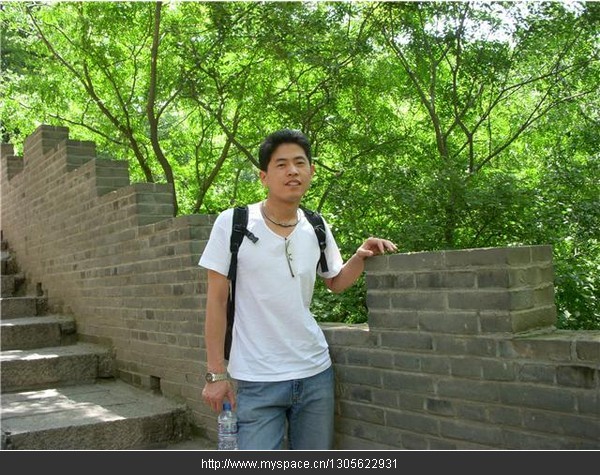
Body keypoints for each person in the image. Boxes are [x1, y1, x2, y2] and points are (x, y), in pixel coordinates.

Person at [199, 129, 397, 450]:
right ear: (264, 176)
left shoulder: (316, 226)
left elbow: (335, 282)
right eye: (281, 164)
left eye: (299, 162)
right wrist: (216, 374)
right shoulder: (233, 223)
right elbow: (217, 302)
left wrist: (360, 257)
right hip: (257, 378)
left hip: (315, 373)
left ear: (311, 171)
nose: (292, 171)